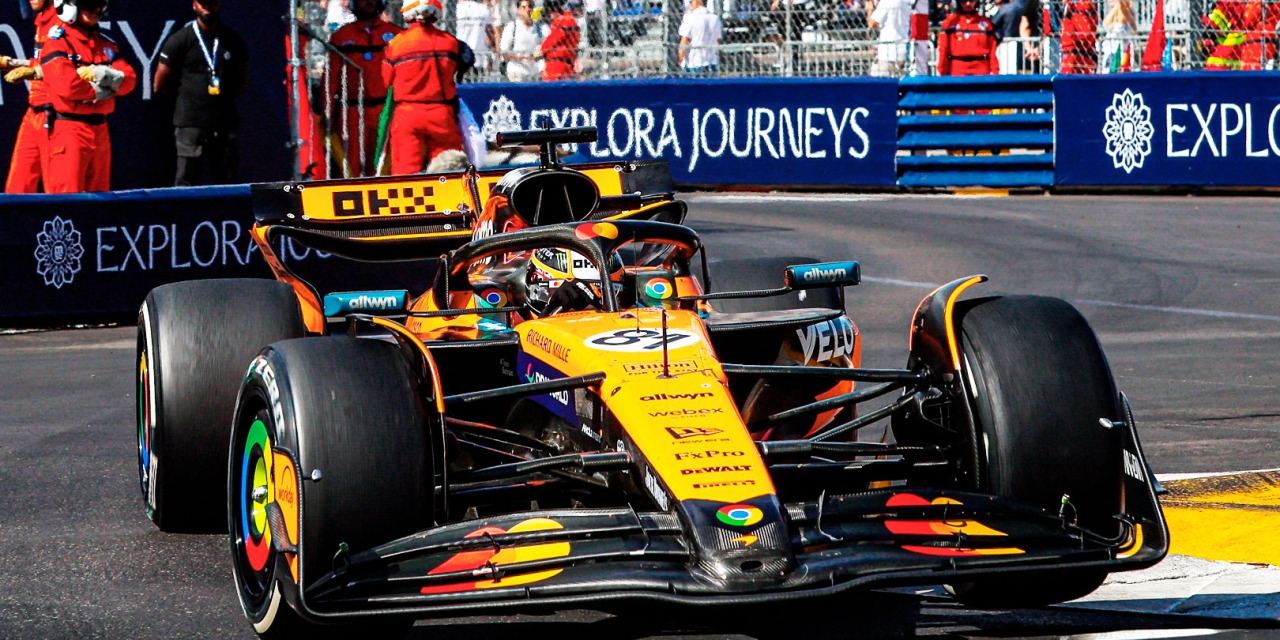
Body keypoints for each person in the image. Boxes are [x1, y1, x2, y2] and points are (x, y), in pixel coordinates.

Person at [39, 0, 136, 193]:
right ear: (69, 6)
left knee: (101, 197)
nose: (96, 10)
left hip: (100, 130)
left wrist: (105, 74)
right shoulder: (58, 43)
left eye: (98, 4)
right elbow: (67, 86)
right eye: (89, 5)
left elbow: (129, 80)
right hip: (70, 130)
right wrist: (104, 90)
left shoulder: (106, 44)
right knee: (68, 198)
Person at [154, 0, 248, 186]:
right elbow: (160, 84)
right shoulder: (180, 40)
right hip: (190, 122)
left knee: (226, 179)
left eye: (211, 3)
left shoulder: (232, 40)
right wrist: (188, 100)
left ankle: (228, 207)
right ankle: (184, 208)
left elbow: (242, 82)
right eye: (202, 3)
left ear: (219, 4)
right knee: (186, 180)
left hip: (224, 122)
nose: (207, 7)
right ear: (194, 5)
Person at [382, 0, 474, 174]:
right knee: (449, 167)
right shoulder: (450, 42)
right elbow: (465, 63)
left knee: (405, 171)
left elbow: (385, 81)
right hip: (442, 113)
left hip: (407, 114)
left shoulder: (396, 44)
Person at [327, 0, 402, 176]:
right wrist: (327, 113)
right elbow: (330, 80)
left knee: (387, 168)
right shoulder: (341, 37)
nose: (368, 2)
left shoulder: (396, 34)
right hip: (352, 113)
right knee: (351, 168)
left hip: (387, 112)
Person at [2, 0, 57, 193]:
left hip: (54, 116)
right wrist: (9, 62)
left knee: (57, 192)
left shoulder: (62, 23)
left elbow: (64, 66)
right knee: (16, 188)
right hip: (33, 113)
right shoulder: (41, 21)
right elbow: (41, 61)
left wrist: (32, 72)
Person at [937, 0, 999, 75]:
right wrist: (942, 72)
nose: (968, 4)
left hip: (981, 70)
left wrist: (995, 72)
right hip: (957, 70)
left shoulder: (986, 24)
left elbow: (992, 51)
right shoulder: (949, 23)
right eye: (964, 1)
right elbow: (943, 50)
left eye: (972, 1)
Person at [500, 0, 548, 82]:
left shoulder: (539, 28)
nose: (527, 10)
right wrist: (523, 57)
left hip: (534, 73)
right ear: (519, 10)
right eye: (523, 7)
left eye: (530, 7)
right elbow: (504, 52)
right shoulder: (512, 27)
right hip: (517, 72)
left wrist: (539, 54)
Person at [868, 0, 914, 76]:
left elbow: (872, 23)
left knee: (879, 81)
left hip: (887, 53)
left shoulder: (886, 2)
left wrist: (870, 8)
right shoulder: (906, 2)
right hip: (903, 49)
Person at [678, 0, 722, 75]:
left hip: (693, 63)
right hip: (711, 62)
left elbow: (684, 42)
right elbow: (718, 40)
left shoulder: (690, 18)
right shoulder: (715, 18)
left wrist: (680, 60)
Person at [540, 0, 580, 81]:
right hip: (557, 63)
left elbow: (554, 39)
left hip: (559, 63)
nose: (550, 16)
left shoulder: (566, 20)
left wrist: (542, 48)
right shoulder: (561, 21)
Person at [455, 0, 496, 72]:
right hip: (479, 57)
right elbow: (491, 34)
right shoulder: (483, 9)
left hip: (459, 57)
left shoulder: (455, 10)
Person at [1059, 0, 1098, 73]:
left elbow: (1085, 33)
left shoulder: (1081, 7)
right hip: (1078, 52)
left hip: (1075, 51)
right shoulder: (1072, 6)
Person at [992, 0, 1026, 73]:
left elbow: (992, 24)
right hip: (1024, 42)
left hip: (1006, 42)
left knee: (1006, 69)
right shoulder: (1026, 6)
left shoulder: (1006, 8)